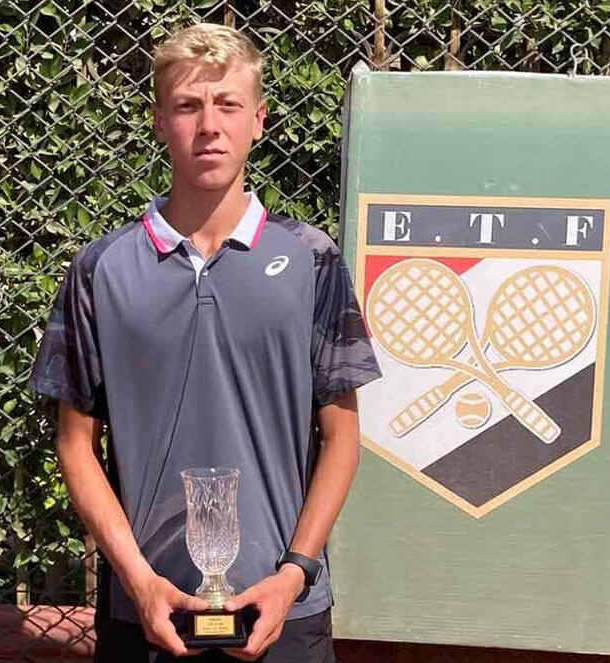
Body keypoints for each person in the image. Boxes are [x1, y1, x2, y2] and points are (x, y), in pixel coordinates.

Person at [27, 22, 381, 662]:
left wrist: (294, 573)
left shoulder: (312, 259)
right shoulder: (100, 268)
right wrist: (138, 581)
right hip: (145, 612)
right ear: (160, 121)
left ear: (259, 120)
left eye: (228, 104)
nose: (209, 125)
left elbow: (342, 437)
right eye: (188, 105)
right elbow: (76, 444)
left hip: (285, 610)